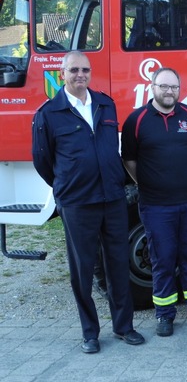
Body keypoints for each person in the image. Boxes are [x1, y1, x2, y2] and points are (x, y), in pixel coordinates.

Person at [32, 51, 144, 354]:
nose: (80, 75)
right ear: (63, 73)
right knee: (82, 269)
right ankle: (90, 332)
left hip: (112, 197)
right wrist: (66, 185)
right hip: (78, 202)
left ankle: (124, 327)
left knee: (118, 264)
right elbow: (43, 160)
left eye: (85, 70)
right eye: (74, 70)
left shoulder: (105, 104)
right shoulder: (49, 113)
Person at [121, 67, 187, 337]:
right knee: (162, 259)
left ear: (179, 89)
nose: (169, 91)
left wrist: (183, 176)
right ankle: (165, 315)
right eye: (163, 86)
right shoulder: (137, 120)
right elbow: (129, 159)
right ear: (152, 87)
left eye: (174, 87)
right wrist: (148, 182)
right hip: (156, 205)